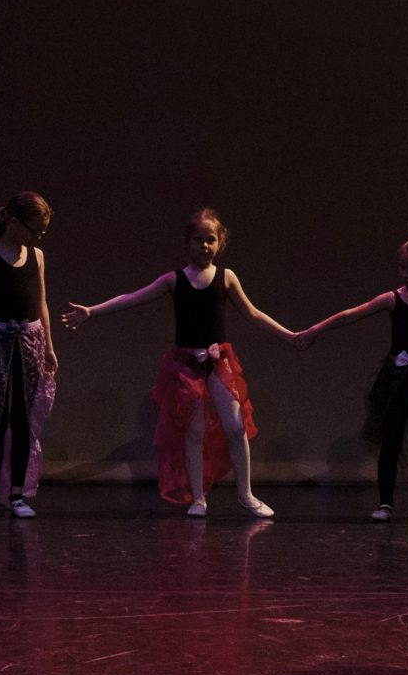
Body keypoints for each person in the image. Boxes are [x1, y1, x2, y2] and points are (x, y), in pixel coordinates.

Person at [61, 208, 293, 518]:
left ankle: (246, 494)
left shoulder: (226, 277)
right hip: (186, 365)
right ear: (187, 242)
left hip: (219, 362)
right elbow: (132, 297)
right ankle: (198, 498)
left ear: (220, 242)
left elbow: (253, 313)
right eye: (198, 239)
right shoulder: (174, 280)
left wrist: (289, 335)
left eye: (211, 240)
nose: (205, 246)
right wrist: (92, 311)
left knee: (236, 427)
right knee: (194, 432)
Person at [293, 235, 408, 522]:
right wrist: (315, 330)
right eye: (401, 267)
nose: (404, 274)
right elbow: (351, 314)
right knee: (391, 440)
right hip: (395, 380)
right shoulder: (393, 299)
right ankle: (385, 503)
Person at [0, 192, 57, 518]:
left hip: (30, 341)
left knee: (22, 417)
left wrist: (49, 346)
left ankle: (17, 494)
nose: (38, 237)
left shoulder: (37, 256)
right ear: (14, 223)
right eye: (35, 229)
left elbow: (41, 303)